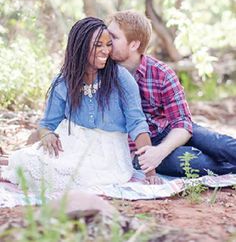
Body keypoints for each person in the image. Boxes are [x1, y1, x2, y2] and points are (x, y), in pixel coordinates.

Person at [2, 17, 160, 195]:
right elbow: (48, 123)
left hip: (107, 154)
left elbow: (137, 124)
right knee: (28, 161)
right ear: (81, 46)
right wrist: (46, 135)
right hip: (70, 144)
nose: (106, 50)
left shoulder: (121, 78)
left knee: (70, 175)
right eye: (98, 45)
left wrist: (150, 172)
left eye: (108, 44)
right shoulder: (63, 82)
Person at [107, 10, 236, 177]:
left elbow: (182, 122)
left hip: (171, 130)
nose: (106, 41)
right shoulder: (102, 72)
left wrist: (160, 151)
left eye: (114, 37)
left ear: (134, 45)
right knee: (189, 162)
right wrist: (149, 154)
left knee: (218, 145)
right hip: (140, 147)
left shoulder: (161, 73)